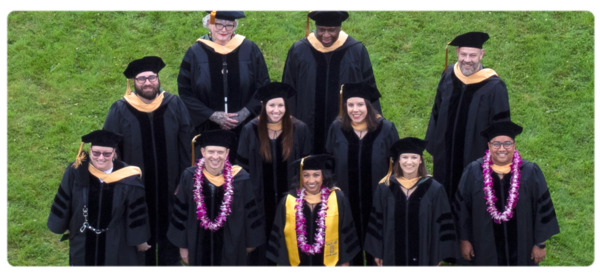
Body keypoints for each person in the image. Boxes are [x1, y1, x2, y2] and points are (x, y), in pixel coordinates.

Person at [103, 56, 192, 269]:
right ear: (133, 82)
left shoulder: (174, 104)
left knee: (171, 225)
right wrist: (118, 183)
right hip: (136, 187)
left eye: (152, 77)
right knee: (139, 227)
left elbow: (186, 143)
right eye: (141, 78)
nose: (147, 82)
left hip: (171, 185)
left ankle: (171, 263)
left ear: (158, 79)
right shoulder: (120, 109)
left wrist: (184, 179)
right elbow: (110, 149)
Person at [453, 121, 560, 268]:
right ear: (489, 146)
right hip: (485, 249)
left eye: (507, 143)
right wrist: (464, 240)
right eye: (496, 143)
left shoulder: (530, 172)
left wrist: (540, 244)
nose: (501, 149)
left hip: (523, 249)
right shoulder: (474, 172)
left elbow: (542, 209)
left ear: (514, 146)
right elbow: (462, 208)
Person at [425, 32, 511, 204]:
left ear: (481, 54)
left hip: (475, 155)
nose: (467, 60)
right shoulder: (449, 74)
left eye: (472, 55)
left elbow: (501, 127)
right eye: (463, 54)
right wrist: (433, 147)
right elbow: (436, 111)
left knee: (471, 199)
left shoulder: (494, 87)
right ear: (457, 53)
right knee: (443, 196)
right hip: (445, 153)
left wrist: (498, 157)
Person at [178, 8, 270, 164]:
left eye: (229, 25)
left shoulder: (249, 49)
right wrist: (211, 114)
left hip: (245, 126)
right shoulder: (195, 53)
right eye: (218, 24)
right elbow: (185, 91)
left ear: (235, 26)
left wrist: (246, 112)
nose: (223, 29)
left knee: (244, 169)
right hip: (208, 127)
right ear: (209, 24)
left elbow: (263, 85)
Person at [47, 130, 151, 269]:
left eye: (106, 154)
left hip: (115, 240)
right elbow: (65, 199)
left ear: (114, 153)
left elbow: (136, 211)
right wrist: (60, 224)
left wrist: (139, 240)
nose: (101, 158)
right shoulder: (76, 171)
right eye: (96, 153)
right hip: (83, 237)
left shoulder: (128, 178)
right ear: (90, 150)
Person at [283, 8, 381, 155]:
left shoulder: (356, 50)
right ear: (315, 28)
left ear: (340, 28)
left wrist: (375, 123)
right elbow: (288, 88)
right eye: (321, 30)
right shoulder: (299, 50)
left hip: (347, 124)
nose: (326, 35)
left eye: (332, 30)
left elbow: (368, 89)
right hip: (306, 124)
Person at [237, 82, 313, 269]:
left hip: (292, 202)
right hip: (259, 203)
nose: (276, 110)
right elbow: (241, 168)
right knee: (260, 258)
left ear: (287, 106)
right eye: (272, 105)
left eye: (281, 105)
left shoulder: (299, 129)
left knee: (293, 253)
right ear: (264, 106)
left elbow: (308, 168)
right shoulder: (250, 130)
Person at [324, 82, 398, 269]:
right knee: (349, 253)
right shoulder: (337, 128)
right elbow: (328, 164)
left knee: (377, 257)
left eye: (360, 105)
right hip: (345, 203)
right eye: (350, 105)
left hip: (378, 204)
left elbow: (397, 167)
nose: (355, 110)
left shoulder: (386, 129)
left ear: (369, 106)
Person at [167, 130, 264, 269]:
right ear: (203, 152)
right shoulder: (189, 177)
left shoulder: (240, 178)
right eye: (211, 151)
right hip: (198, 244)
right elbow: (182, 212)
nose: (215, 156)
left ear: (227, 153)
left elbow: (250, 212)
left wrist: (250, 242)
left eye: (220, 152)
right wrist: (183, 246)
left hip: (232, 245)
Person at [364, 137, 458, 269]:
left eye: (414, 157)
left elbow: (441, 224)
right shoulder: (385, 188)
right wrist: (378, 252)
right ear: (398, 160)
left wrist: (438, 255)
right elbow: (377, 222)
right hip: (392, 256)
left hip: (425, 257)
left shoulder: (434, 189)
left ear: (420, 160)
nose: (409, 162)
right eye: (405, 157)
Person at [267, 154, 360, 269]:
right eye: (306, 175)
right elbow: (281, 235)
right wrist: (284, 264)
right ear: (301, 178)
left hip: (329, 264)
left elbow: (345, 231)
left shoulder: (337, 198)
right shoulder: (289, 201)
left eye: (316, 175)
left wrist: (344, 262)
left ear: (323, 177)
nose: (311, 180)